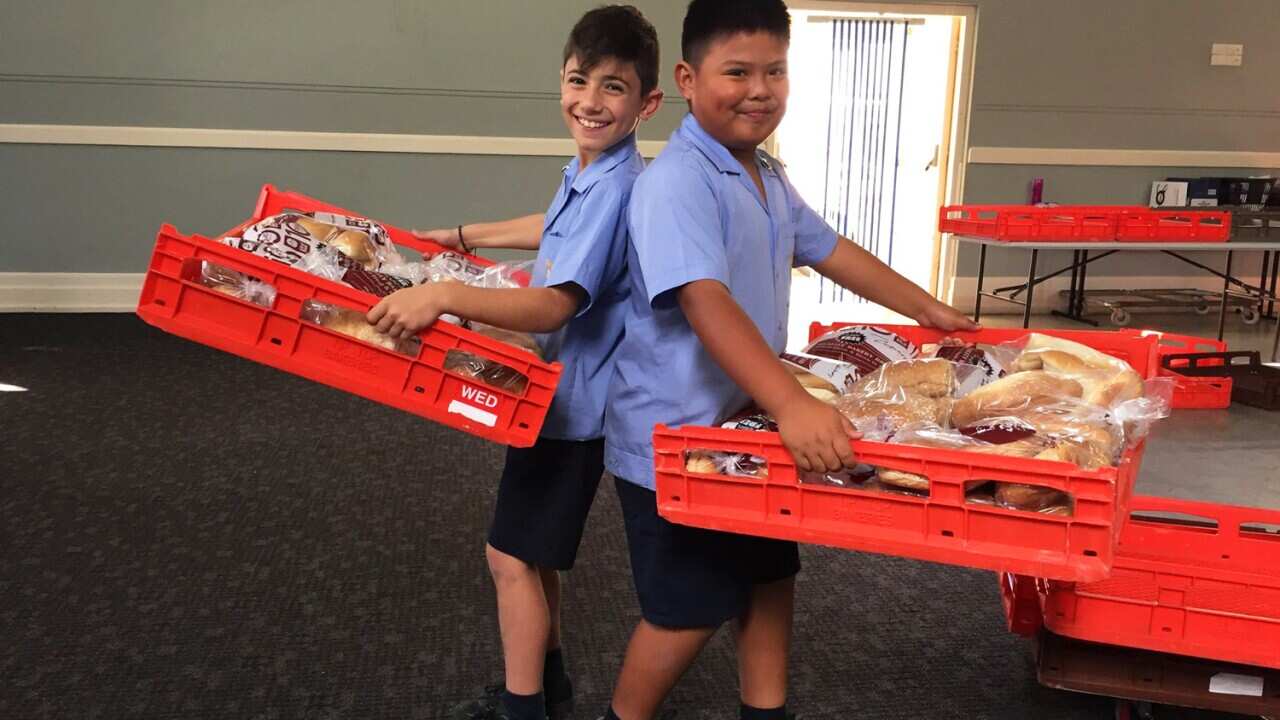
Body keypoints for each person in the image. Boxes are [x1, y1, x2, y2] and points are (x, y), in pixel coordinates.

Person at [598, 2, 978, 718]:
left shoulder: (765, 173)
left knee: (771, 576)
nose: (759, 89)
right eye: (736, 72)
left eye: (775, 70)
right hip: (675, 441)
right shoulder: (677, 181)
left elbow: (830, 248)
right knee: (687, 607)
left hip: (743, 430)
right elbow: (704, 301)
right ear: (687, 77)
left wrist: (927, 308)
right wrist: (791, 402)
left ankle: (765, 711)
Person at [367, 6, 663, 719]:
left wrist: (443, 293)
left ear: (647, 103)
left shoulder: (618, 184)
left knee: (508, 559)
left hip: (575, 407)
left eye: (614, 88)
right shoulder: (595, 169)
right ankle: (549, 685)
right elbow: (553, 222)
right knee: (533, 555)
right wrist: (464, 236)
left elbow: (557, 303)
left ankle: (522, 708)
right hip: (558, 395)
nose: (590, 101)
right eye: (578, 80)